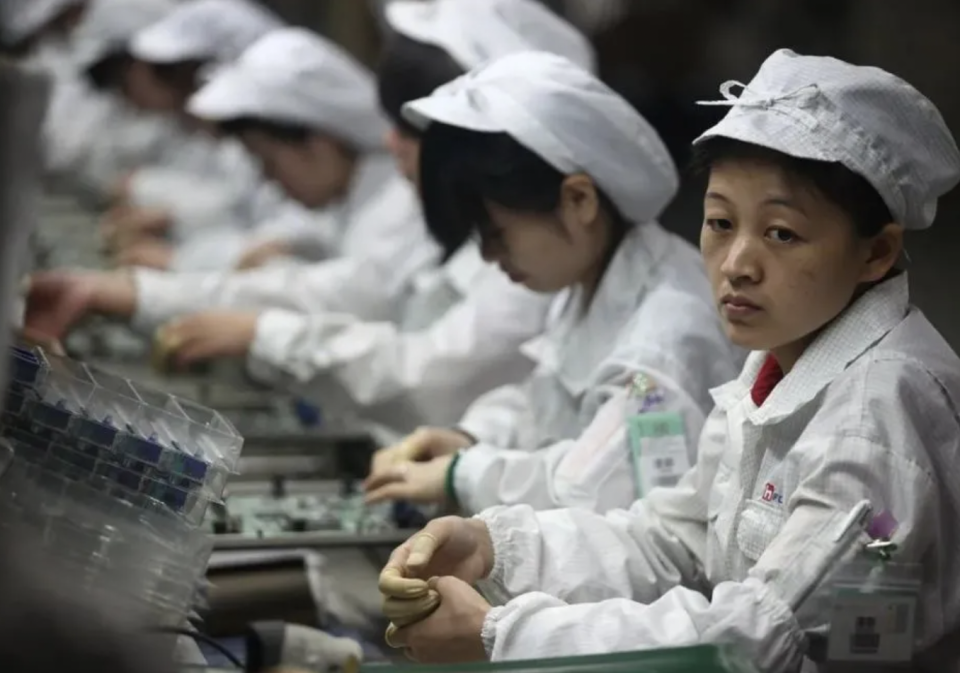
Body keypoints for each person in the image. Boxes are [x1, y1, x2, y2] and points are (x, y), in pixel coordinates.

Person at [377, 49, 960, 671]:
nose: (737, 262)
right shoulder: (776, 365)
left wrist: (504, 633)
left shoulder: (876, 421)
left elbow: (758, 639)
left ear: (875, 253)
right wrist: (494, 548)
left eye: (781, 233)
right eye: (719, 222)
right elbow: (676, 537)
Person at [22, 0, 594, 440]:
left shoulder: (530, 252)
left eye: (420, 127)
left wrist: (259, 332)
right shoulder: (456, 224)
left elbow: (431, 376)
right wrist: (145, 294)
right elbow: (354, 289)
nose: (391, 144)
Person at [363, 52, 740, 515]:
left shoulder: (663, 344)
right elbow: (546, 406)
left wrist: (461, 473)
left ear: (579, 199)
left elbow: (605, 487)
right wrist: (471, 438)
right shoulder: (589, 285)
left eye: (497, 233)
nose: (487, 256)